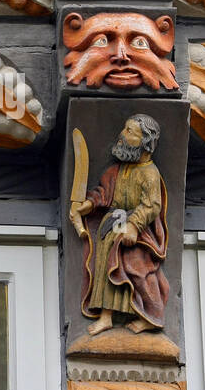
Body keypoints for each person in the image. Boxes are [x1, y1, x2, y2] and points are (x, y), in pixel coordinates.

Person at [69, 114, 171, 335]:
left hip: (139, 235)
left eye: (129, 132)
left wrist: (134, 225)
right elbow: (104, 192)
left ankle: (150, 317)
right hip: (111, 227)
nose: (121, 136)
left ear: (146, 142)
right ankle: (106, 316)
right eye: (125, 129)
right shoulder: (118, 169)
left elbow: (152, 205)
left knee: (139, 273)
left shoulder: (150, 173)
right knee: (105, 272)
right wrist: (87, 205)